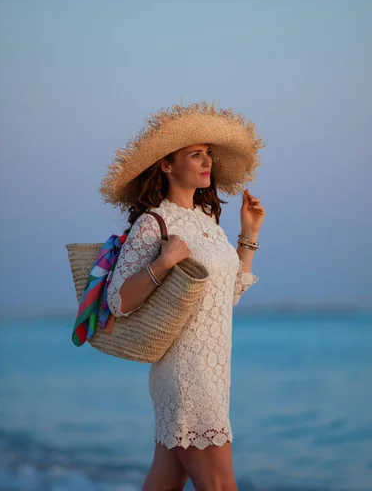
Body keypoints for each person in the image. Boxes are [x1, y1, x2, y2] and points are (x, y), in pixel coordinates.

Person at [99, 101, 266, 491]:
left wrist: (249, 235)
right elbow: (117, 301)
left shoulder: (209, 223)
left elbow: (229, 296)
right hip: (185, 374)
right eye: (195, 154)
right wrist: (163, 262)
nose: (207, 161)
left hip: (215, 371)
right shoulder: (154, 222)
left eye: (208, 153)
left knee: (164, 483)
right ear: (167, 165)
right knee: (221, 485)